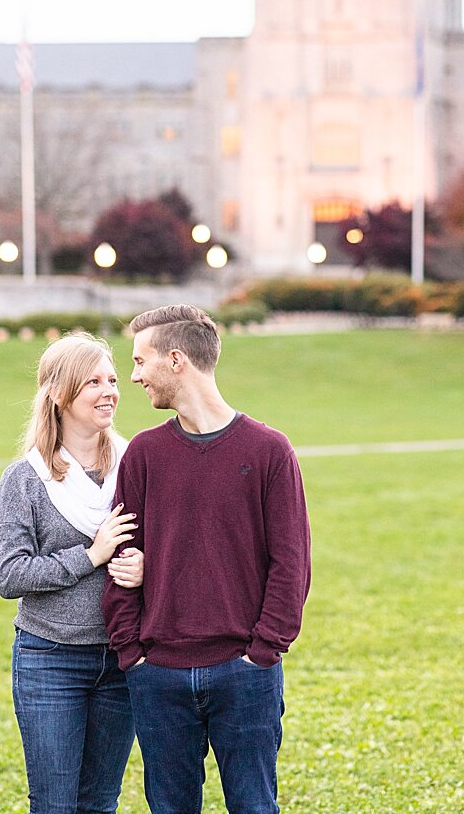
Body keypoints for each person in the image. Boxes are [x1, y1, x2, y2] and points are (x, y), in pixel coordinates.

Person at [102, 304, 311, 814]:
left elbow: (291, 564)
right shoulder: (144, 455)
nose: (133, 377)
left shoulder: (268, 451)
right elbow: (120, 558)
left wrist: (262, 651)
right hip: (159, 675)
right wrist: (134, 655)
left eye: (140, 361)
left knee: (253, 807)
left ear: (176, 360)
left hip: (245, 674)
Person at [0, 331, 146, 814]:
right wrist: (90, 556)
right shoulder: (25, 480)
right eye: (93, 382)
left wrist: (145, 565)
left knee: (100, 802)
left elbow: (165, 546)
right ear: (59, 394)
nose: (110, 391)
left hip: (121, 659)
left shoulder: (136, 466)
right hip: (49, 660)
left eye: (113, 379)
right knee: (55, 804)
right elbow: (9, 575)